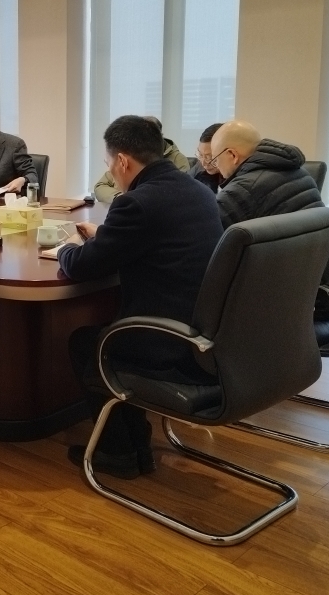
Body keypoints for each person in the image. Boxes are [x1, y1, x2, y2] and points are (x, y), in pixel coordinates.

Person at [57, 116, 223, 479]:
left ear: (122, 161)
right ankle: (137, 444)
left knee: (88, 342)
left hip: (167, 341)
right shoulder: (198, 191)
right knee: (109, 335)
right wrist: (107, 235)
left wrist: (66, 248)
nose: (111, 173)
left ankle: (117, 452)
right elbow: (155, 238)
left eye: (108, 164)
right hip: (205, 333)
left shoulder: (137, 203)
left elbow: (82, 266)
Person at [210, 120, 323, 228]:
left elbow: (210, 237)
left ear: (232, 155)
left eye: (215, 160)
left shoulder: (238, 193)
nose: (217, 166)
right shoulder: (304, 175)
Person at [92, 116, 190, 202]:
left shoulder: (178, 160)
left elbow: (175, 193)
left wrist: (131, 199)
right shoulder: (128, 156)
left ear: (159, 136)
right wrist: (119, 197)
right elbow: (100, 186)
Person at [190, 123, 224, 194]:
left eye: (209, 157)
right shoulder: (199, 168)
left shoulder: (238, 182)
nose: (203, 163)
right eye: (200, 155)